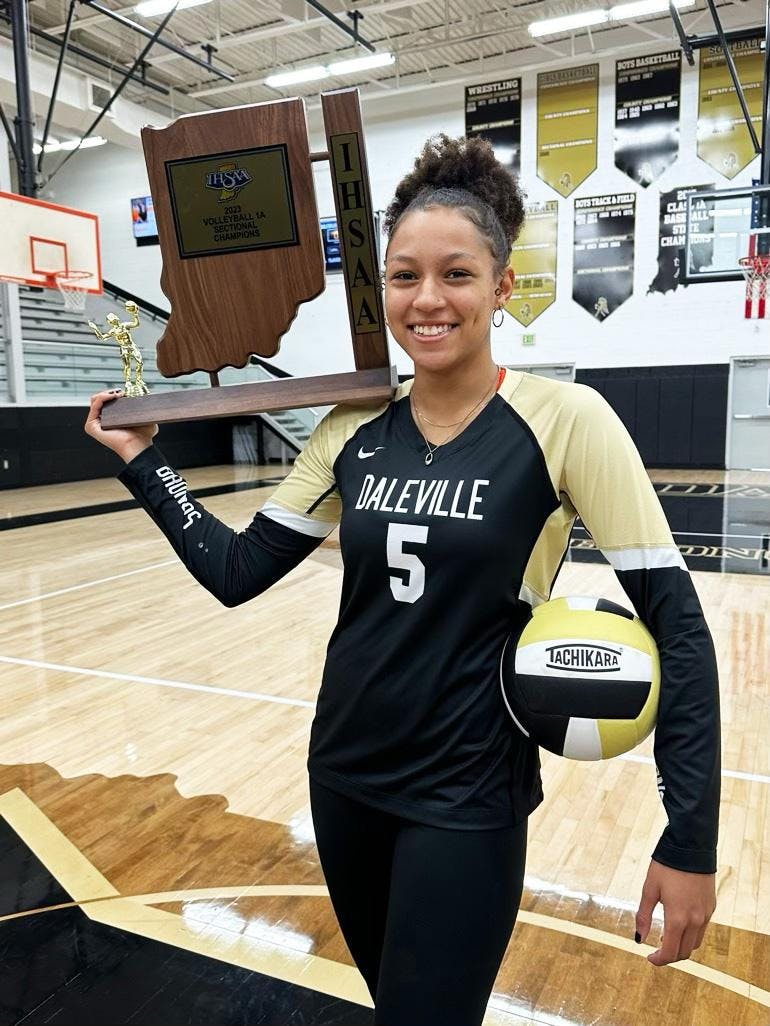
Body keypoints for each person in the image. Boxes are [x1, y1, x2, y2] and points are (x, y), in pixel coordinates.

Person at [85, 135, 719, 1026]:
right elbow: (236, 573)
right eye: (403, 276)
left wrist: (690, 839)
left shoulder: (567, 421)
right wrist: (145, 464)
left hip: (466, 793)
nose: (426, 299)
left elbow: (679, 631)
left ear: (503, 287)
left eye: (456, 274)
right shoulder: (351, 427)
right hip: (343, 777)